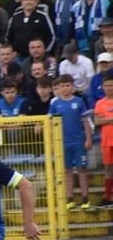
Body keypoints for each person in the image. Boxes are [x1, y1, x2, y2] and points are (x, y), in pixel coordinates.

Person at [50, 74, 92, 209]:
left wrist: (88, 139)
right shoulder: (55, 104)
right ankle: (70, 199)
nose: (65, 88)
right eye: (62, 86)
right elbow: (51, 125)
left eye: (68, 85)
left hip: (78, 140)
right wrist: (52, 143)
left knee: (82, 169)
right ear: (59, 88)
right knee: (67, 171)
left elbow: (86, 121)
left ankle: (85, 199)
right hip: (63, 142)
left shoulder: (79, 102)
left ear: (72, 86)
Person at [92, 75, 113, 208]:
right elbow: (97, 121)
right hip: (106, 139)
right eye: (106, 85)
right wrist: (110, 119)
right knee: (108, 168)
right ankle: (107, 197)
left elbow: (101, 120)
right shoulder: (100, 103)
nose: (108, 88)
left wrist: (105, 119)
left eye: (111, 85)